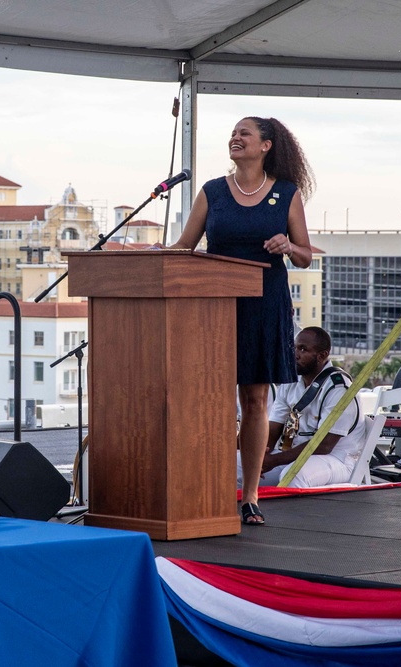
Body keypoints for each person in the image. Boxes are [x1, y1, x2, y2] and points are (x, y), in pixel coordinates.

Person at [169, 117, 314, 525]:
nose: (235, 138)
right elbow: (184, 247)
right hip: (213, 307)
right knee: (211, 402)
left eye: (244, 133)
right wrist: (155, 255)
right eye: (232, 133)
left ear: (266, 145)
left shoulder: (286, 194)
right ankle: (209, 486)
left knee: (255, 401)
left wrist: (288, 244)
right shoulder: (213, 192)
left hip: (264, 304)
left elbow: (305, 254)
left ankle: (249, 495)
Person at [247, 327, 365, 490]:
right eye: (294, 348)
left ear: (322, 355)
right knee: (236, 468)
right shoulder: (291, 382)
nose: (295, 354)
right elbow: (274, 428)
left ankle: (292, 516)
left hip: (337, 459)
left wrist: (274, 461)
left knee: (292, 476)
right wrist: (261, 455)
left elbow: (324, 445)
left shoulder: (339, 388)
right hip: (294, 456)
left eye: (303, 349)